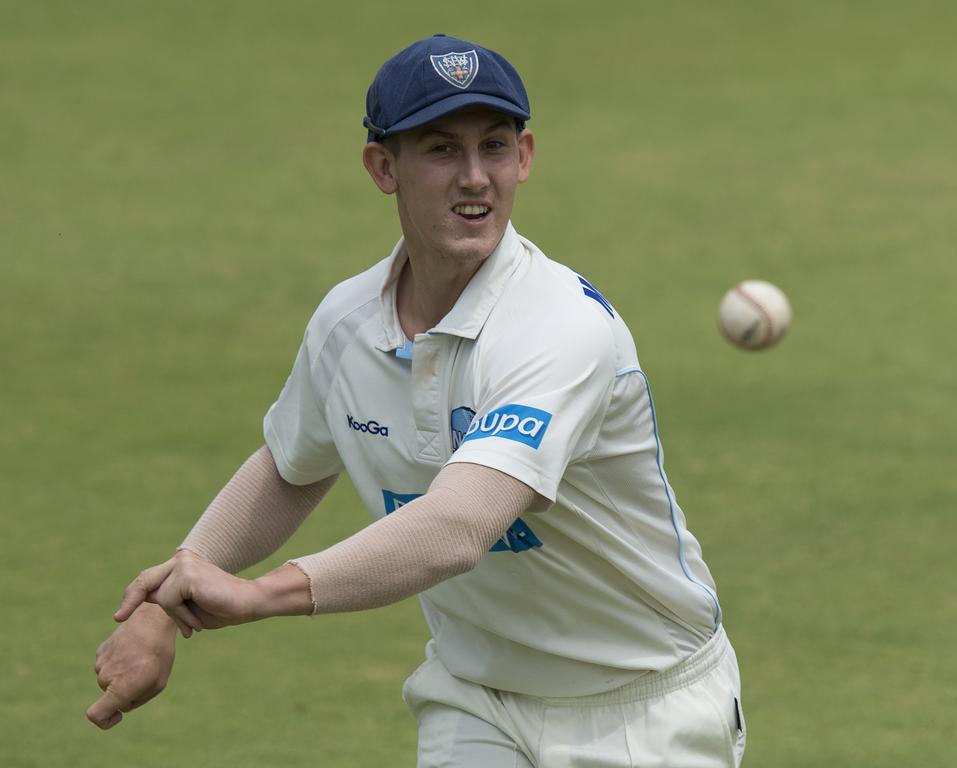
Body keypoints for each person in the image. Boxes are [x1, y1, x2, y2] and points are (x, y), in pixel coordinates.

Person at [88, 33, 746, 767]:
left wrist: (262, 595)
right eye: (441, 150)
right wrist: (170, 594)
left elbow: (460, 526)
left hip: (639, 709)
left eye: (494, 147)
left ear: (524, 158)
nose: (475, 178)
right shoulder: (346, 323)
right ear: (383, 167)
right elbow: (290, 465)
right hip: (476, 697)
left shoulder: (561, 329)